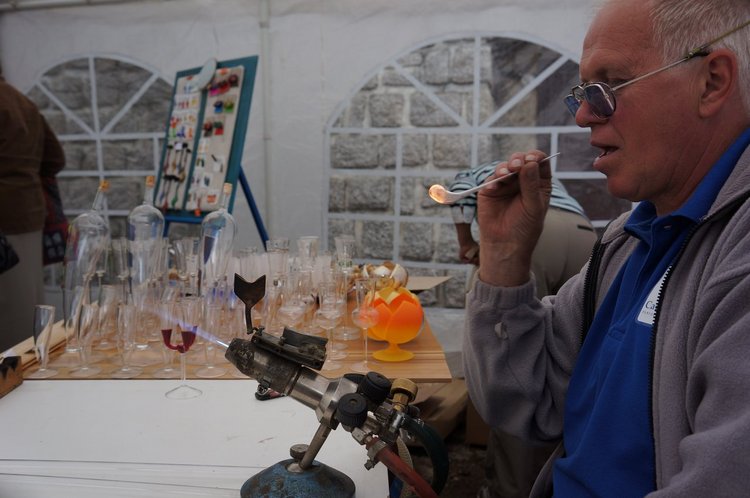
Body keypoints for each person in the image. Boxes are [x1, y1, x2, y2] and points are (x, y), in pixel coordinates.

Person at [463, 0, 750, 496]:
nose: (583, 116)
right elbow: (523, 400)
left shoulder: (735, 250)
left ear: (712, 82)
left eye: (608, 87)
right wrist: (504, 255)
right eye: (582, 93)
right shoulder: (630, 239)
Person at [451, 166, 596, 498]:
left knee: (512, 361)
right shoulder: (540, 179)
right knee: (572, 362)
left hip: (535, 228)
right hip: (584, 234)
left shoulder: (476, 176)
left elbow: (457, 197)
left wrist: (466, 243)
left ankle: (512, 488)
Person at [0, 70, 66, 352]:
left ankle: (13, 370)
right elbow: (55, 157)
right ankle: (34, 363)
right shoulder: (22, 101)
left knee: (9, 310)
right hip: (29, 211)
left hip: (6, 218)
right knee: (29, 302)